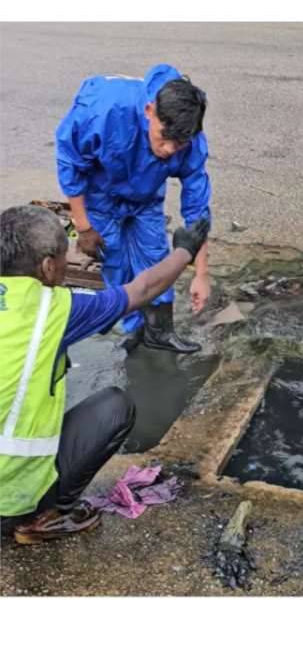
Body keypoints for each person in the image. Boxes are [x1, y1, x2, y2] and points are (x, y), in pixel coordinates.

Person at [0, 205, 210, 544]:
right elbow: (141, 290)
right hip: (8, 502)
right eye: (63, 257)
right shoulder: (53, 309)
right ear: (47, 266)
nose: (66, 264)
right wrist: (185, 250)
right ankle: (43, 517)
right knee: (114, 406)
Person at [56, 63, 213, 354]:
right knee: (113, 258)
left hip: (146, 195)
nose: (168, 150)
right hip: (100, 193)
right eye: (163, 139)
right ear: (149, 111)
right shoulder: (101, 113)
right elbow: (70, 163)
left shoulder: (190, 140)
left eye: (178, 145)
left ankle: (159, 331)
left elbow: (198, 211)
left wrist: (201, 274)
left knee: (155, 257)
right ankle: (133, 328)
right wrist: (84, 226)